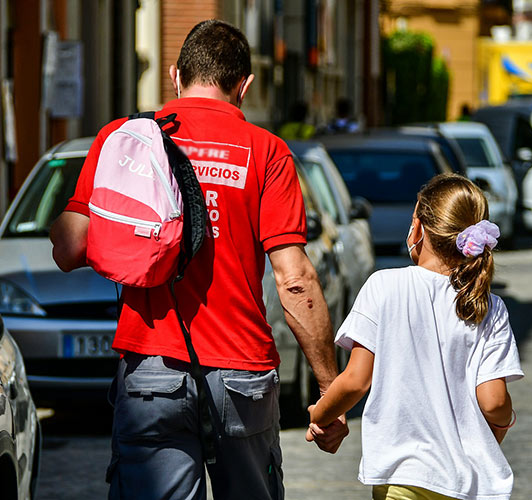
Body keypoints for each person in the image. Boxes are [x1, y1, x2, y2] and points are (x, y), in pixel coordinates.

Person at [49, 20, 348, 499]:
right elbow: (295, 281)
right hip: (241, 376)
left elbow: (67, 249)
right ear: (244, 86)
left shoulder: (123, 140)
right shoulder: (267, 152)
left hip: (150, 370)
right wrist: (330, 390)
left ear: (175, 75)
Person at [306, 174, 524, 500]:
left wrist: (320, 414)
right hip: (471, 484)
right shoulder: (489, 307)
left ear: (419, 228)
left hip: (404, 477)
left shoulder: (384, 287)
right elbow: (493, 402)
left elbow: (355, 381)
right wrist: (504, 424)